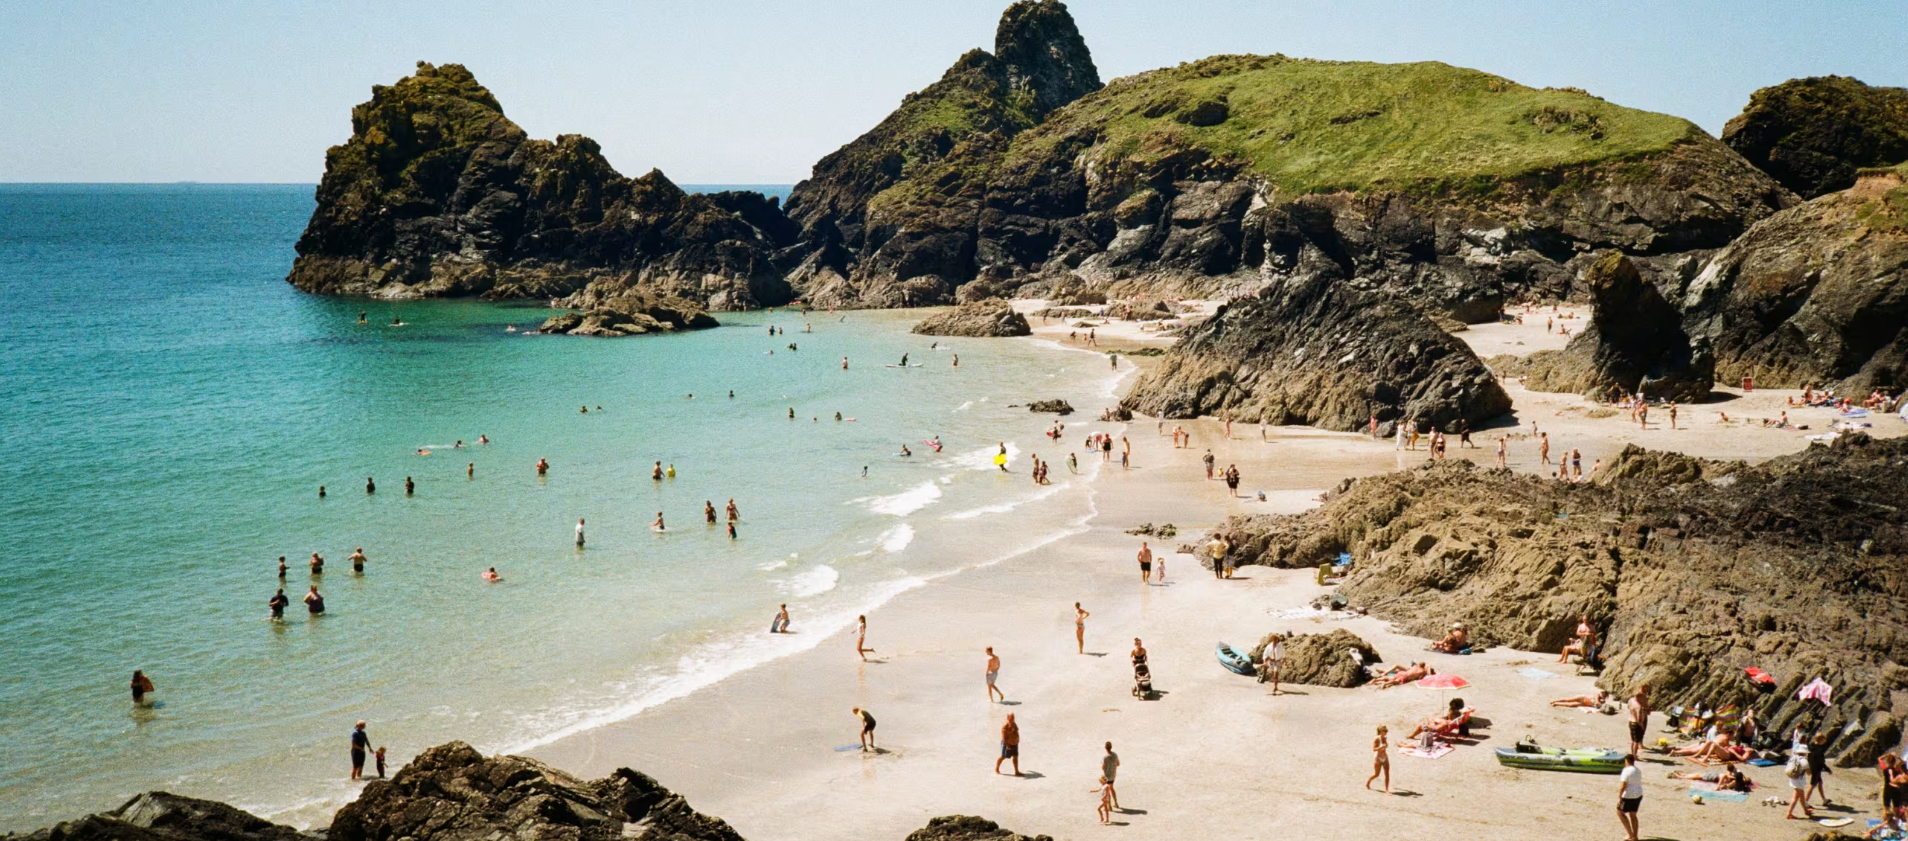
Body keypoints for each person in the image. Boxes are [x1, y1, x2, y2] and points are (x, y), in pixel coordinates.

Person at [1617, 753, 1642, 841]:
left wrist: (1620, 797)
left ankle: (1630, 834)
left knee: (1620, 812)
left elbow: (1623, 785)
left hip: (1628, 795)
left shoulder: (1626, 770)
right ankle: (1635, 836)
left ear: (1626, 761)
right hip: (1638, 794)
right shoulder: (1638, 770)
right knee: (1633, 814)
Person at [1785, 745, 1816, 819]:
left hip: (1793, 778)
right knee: (1795, 797)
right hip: (1799, 780)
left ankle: (1806, 810)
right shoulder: (1804, 761)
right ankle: (1789, 813)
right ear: (1805, 753)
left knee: (1801, 796)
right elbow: (1809, 773)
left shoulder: (1793, 758)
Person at [1668, 763, 1748, 791]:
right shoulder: (1728, 776)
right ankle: (1682, 775)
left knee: (1697, 775)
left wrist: (1720, 786)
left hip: (1713, 776)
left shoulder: (1730, 775)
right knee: (1697, 775)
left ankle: (1681, 776)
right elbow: (1724, 781)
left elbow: (1724, 782)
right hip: (1713, 775)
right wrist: (1720, 786)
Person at [1805, 729, 1831, 807]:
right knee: (1812, 784)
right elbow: (1821, 761)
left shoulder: (1811, 746)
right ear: (1821, 740)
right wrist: (1827, 768)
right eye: (1824, 739)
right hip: (1816, 769)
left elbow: (1809, 758)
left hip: (1813, 767)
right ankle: (1805, 801)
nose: (1825, 741)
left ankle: (1824, 799)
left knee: (1820, 783)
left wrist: (1809, 767)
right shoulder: (1819, 749)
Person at [1627, 684, 1651, 757]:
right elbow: (1638, 718)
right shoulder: (1639, 707)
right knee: (1636, 741)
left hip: (1631, 721)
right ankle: (1635, 755)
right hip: (1637, 723)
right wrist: (1641, 726)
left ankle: (1632, 754)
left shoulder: (1631, 700)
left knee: (1633, 740)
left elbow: (1629, 707)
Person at [1365, 725, 1390, 794]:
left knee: (1387, 774)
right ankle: (1368, 781)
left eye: (1386, 731)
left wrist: (1385, 746)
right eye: (1384, 731)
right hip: (1378, 758)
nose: (1385, 732)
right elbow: (1374, 749)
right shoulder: (1377, 739)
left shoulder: (1385, 738)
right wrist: (1380, 747)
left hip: (1385, 757)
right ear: (1380, 731)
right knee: (1376, 774)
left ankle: (1386, 789)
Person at [1101, 742, 1121, 810]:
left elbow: (1103, 767)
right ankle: (1116, 802)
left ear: (1105, 748)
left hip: (1107, 776)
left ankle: (1109, 806)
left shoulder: (1105, 757)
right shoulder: (1115, 755)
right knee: (1112, 788)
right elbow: (1118, 764)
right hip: (1113, 774)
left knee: (1107, 790)